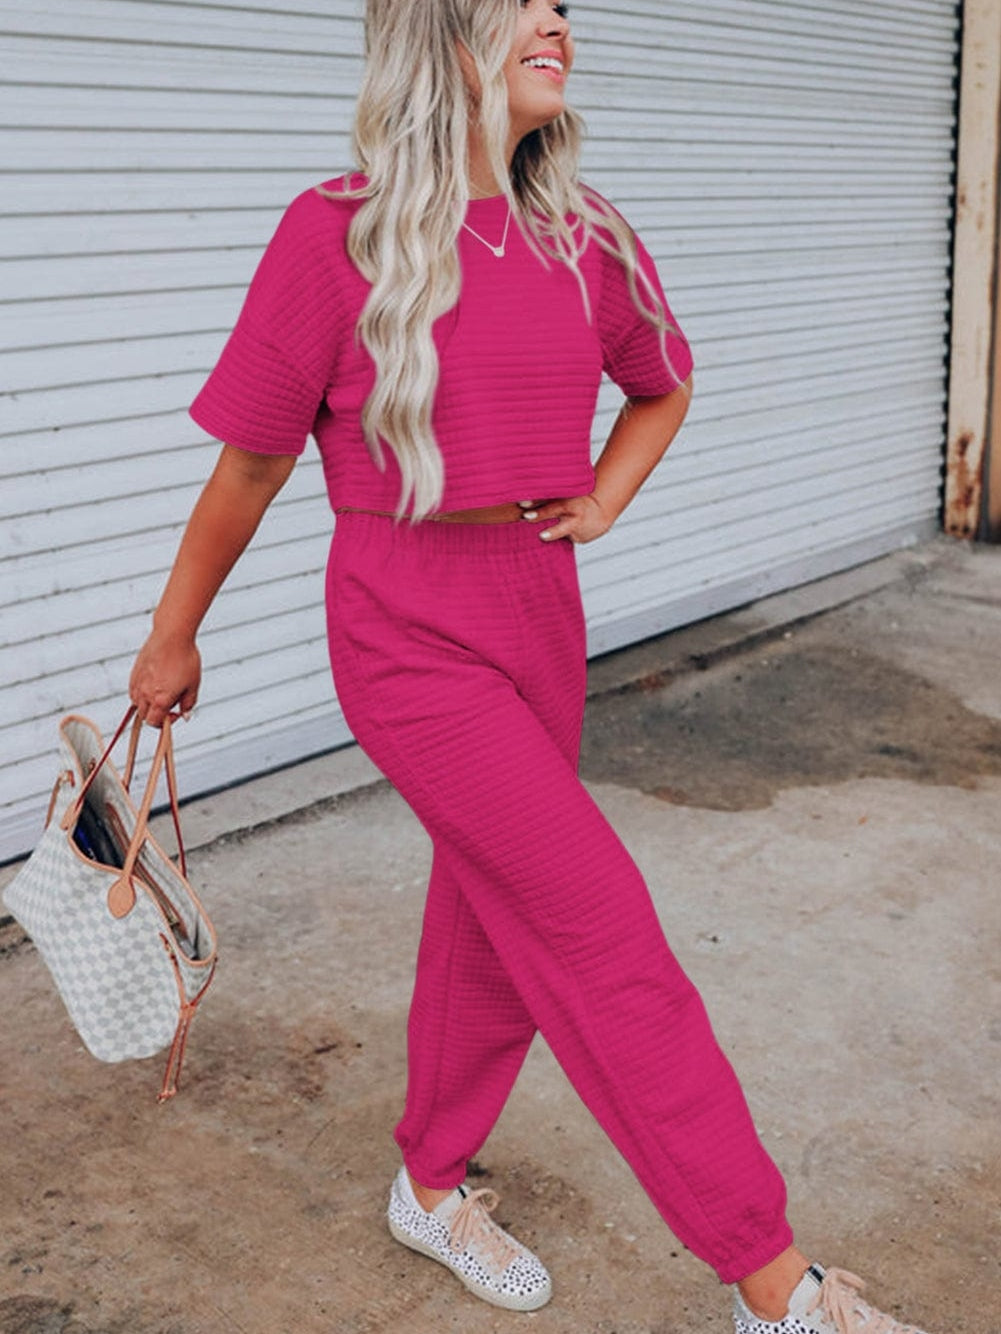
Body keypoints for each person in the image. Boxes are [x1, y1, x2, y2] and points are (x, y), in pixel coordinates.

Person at [129, 2, 935, 1331]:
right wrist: (174, 629)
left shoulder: (584, 234)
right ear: (438, 39)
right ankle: (771, 1283)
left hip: (534, 601)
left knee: (492, 912)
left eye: (563, 7)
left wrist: (606, 498)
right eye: (521, 5)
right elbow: (256, 458)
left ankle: (430, 1179)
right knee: (599, 926)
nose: (556, 19)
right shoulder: (335, 232)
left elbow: (661, 380)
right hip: (402, 621)